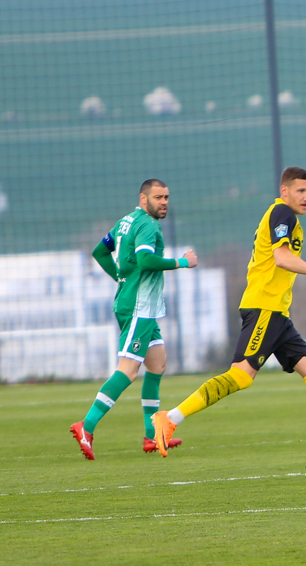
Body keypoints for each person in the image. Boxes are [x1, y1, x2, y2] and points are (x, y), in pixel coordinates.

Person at [151, 166, 306, 465]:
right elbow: (282, 258)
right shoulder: (282, 213)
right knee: (241, 376)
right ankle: (170, 418)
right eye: (301, 191)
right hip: (264, 307)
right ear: (284, 191)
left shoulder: (287, 218)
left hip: (277, 313)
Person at [70, 179, 197, 460]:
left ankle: (152, 436)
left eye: (166, 197)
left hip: (141, 306)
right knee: (127, 371)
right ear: (143, 198)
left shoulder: (126, 221)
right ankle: (86, 426)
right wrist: (183, 262)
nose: (164, 202)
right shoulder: (148, 226)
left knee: (157, 364)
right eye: (158, 197)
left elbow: (100, 251)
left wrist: (119, 277)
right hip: (139, 307)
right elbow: (146, 261)